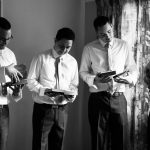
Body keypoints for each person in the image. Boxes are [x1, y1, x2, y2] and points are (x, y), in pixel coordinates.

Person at [79, 16, 138, 150]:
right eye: (103, 34)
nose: (108, 36)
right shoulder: (89, 48)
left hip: (119, 97)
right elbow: (82, 72)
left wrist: (128, 80)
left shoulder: (123, 45)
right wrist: (94, 79)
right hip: (98, 98)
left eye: (110, 31)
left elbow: (132, 68)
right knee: (98, 141)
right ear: (97, 33)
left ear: (112, 27)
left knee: (121, 139)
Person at [27, 27, 79, 150]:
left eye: (68, 47)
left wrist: (72, 95)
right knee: (39, 145)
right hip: (43, 109)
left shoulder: (73, 62)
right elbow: (30, 81)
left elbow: (74, 85)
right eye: (62, 46)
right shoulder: (40, 57)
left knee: (58, 145)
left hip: (63, 110)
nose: (64, 50)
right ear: (55, 40)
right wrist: (46, 92)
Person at [0, 17, 24, 150]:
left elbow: (13, 82)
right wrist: (4, 70)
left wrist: (16, 91)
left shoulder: (10, 54)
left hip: (3, 110)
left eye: (8, 38)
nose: (4, 42)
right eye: (1, 38)